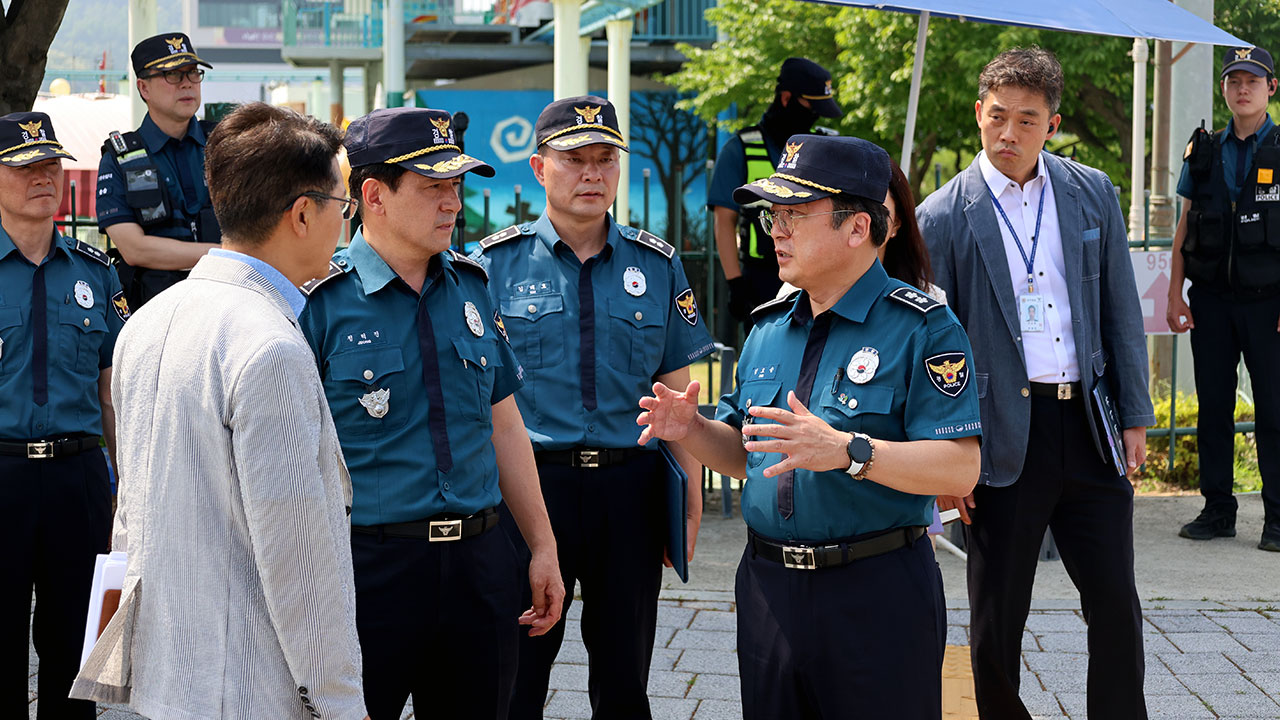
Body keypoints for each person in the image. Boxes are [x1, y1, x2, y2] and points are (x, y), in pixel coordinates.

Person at [637, 133, 981, 719]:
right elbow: (750, 455)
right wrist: (691, 429)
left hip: (875, 590)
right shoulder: (769, 327)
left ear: (858, 228)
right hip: (770, 588)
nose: (776, 229)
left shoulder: (924, 327)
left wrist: (849, 450)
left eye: (796, 214)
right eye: (774, 214)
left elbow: (960, 466)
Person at [72, 103, 369, 720]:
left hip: (163, 679)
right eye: (344, 208)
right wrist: (340, 702)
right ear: (304, 213)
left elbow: (131, 514)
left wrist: (113, 666)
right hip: (247, 686)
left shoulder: (147, 324)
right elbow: (298, 558)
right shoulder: (268, 345)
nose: (346, 226)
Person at [298, 106, 565, 719]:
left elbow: (504, 424)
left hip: (479, 565)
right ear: (374, 195)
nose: (453, 203)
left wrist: (542, 546)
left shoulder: (472, 285)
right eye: (432, 187)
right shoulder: (320, 301)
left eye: (456, 186)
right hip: (370, 570)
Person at [917, 47, 1155, 719]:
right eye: (998, 118)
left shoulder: (1091, 191)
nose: (1009, 135)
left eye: (1028, 120)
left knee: (1115, 603)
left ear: (1053, 124)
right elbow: (937, 352)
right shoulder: (942, 215)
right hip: (997, 441)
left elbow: (1120, 310)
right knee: (997, 616)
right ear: (978, 115)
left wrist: (1133, 414)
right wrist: (947, 458)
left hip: (1087, 426)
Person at [474, 95, 715, 720]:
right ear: (537, 167)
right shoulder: (489, 267)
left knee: (625, 677)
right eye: (573, 159)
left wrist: (686, 494)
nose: (591, 174)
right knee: (515, 674)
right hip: (531, 488)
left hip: (628, 490)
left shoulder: (657, 265)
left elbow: (677, 395)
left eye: (605, 160)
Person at [0, 112, 122, 720]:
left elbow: (110, 391)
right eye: (25, 167)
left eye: (51, 164)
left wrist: (128, 488)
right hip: (2, 474)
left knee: (79, 649)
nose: (43, 177)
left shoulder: (95, 274)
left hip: (79, 480)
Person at [1169, 45, 1280, 552]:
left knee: (1274, 411)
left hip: (1268, 304)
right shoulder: (1203, 150)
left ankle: (1277, 519)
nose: (1242, 89)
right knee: (1213, 407)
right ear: (1224, 90)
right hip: (1211, 299)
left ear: (1270, 88)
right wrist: (1175, 294)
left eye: (1252, 81)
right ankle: (1218, 510)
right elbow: (1184, 227)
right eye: (1234, 81)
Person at [708, 58, 843, 334]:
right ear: (785, 98)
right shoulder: (741, 149)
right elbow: (724, 222)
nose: (815, 116)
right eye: (811, 107)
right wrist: (735, 282)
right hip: (761, 280)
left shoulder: (827, 149)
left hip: (818, 277)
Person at [96, 32, 219, 309]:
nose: (187, 83)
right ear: (144, 88)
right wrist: (224, 255)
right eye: (173, 75)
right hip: (155, 310)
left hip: (225, 304)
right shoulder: (121, 157)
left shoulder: (225, 145)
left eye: (193, 73)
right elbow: (134, 249)